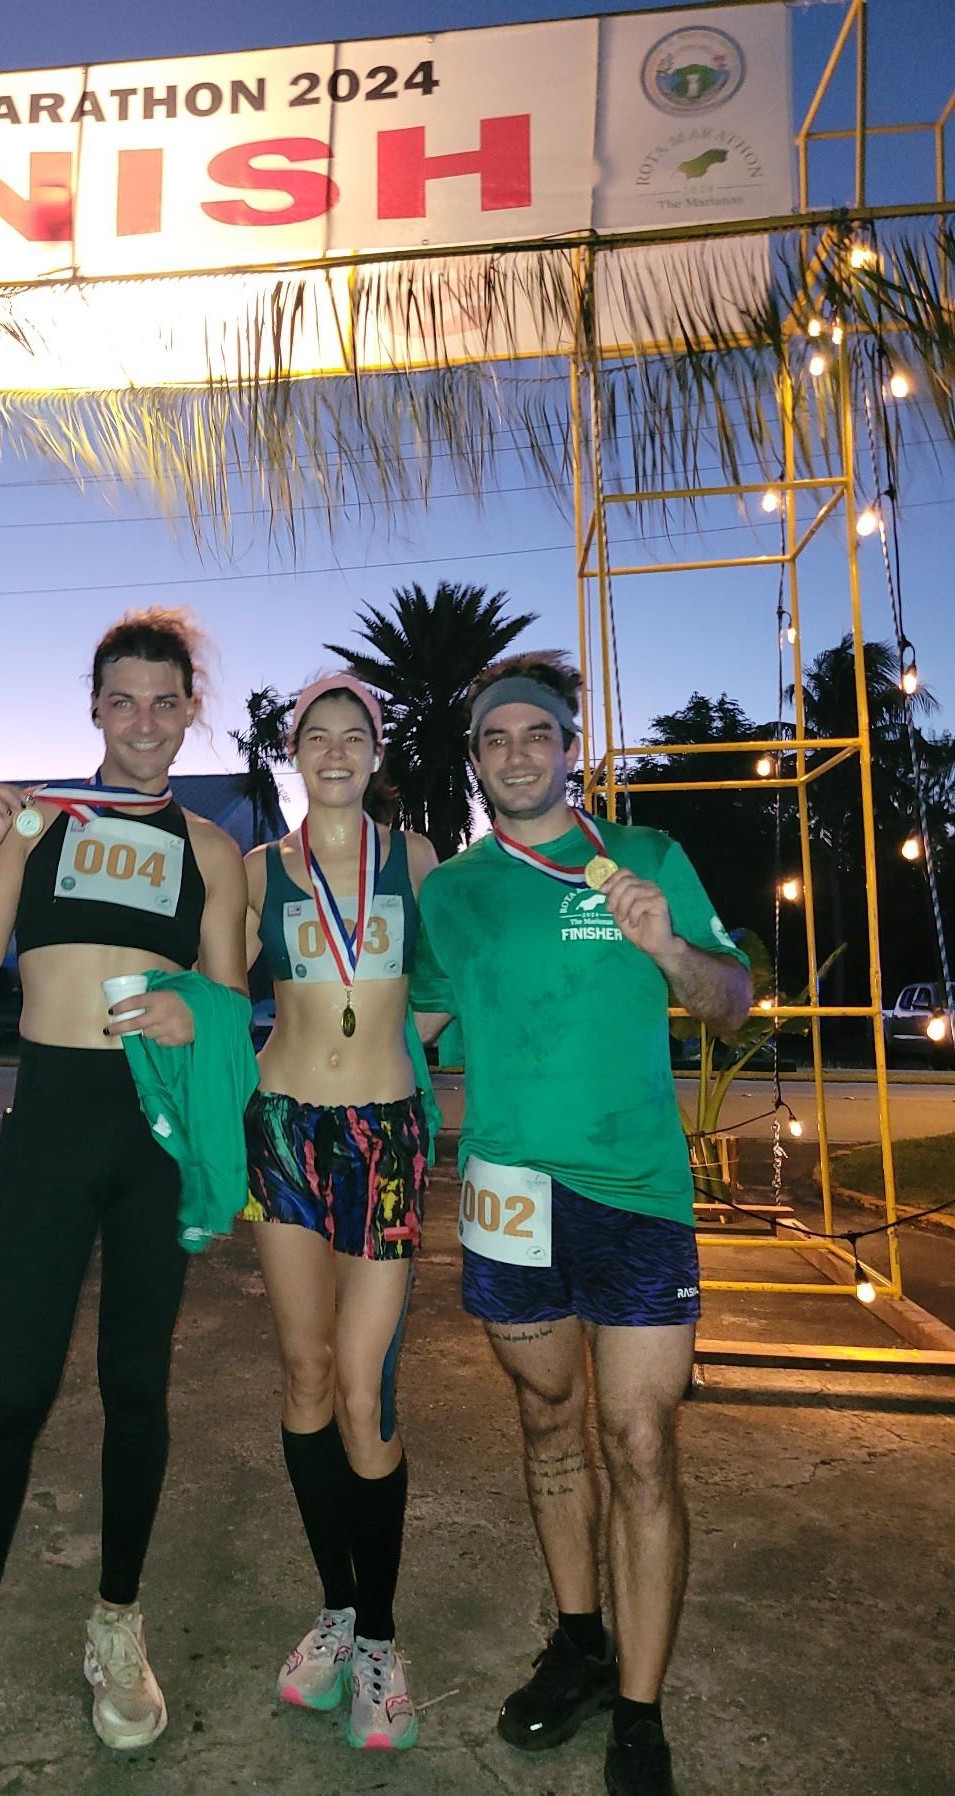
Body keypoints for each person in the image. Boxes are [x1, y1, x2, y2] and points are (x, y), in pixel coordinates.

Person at [0, 609, 248, 1795]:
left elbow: (230, 999)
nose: (144, 722)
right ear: (93, 709)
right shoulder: (37, 823)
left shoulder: (211, 847)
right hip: (50, 1119)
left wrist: (197, 1008)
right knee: (11, 1393)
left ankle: (117, 1622)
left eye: (165, 702)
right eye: (123, 702)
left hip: (150, 1128)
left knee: (137, 1386)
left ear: (188, 709)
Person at [410, 651, 751, 1796]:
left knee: (641, 1444)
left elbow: (732, 997)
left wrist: (664, 946)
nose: (516, 752)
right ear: (476, 760)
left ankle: (641, 1715)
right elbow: (402, 1026)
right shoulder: (451, 892)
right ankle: (582, 1641)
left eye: (536, 733)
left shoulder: (645, 860)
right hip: (509, 1196)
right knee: (549, 1423)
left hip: (639, 1197)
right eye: (494, 737)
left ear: (569, 746)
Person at [241, 673, 438, 1752]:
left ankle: (381, 1638)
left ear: (374, 749)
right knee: (308, 1374)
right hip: (282, 1130)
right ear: (293, 752)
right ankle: (335, 1603)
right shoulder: (260, 869)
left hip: (386, 1136)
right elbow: (220, 986)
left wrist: (417, 1039)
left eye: (351, 733)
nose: (332, 748)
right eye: (314, 734)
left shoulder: (415, 861)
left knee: (367, 1389)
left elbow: (453, 973)